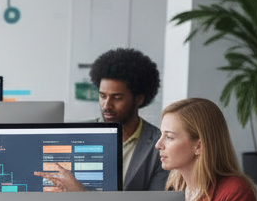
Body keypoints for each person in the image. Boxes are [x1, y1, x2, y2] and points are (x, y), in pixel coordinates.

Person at [36, 47, 166, 192]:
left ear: (139, 99)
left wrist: (82, 194)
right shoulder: (76, 134)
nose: (107, 105)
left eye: (117, 98)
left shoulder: (158, 145)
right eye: (103, 96)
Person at [156, 96, 257, 201]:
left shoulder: (234, 192)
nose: (158, 145)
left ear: (199, 146)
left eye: (169, 137)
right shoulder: (175, 188)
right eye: (161, 135)